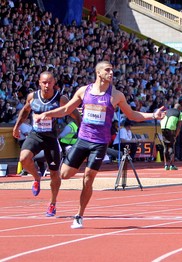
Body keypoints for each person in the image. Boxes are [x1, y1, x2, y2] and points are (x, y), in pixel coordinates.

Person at [35, 61, 165, 229]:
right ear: (98, 73)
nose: (111, 73)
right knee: (65, 175)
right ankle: (72, 172)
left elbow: (132, 114)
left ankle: (79, 215)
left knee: (88, 178)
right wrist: (47, 114)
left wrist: (153, 115)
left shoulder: (116, 95)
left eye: (112, 70)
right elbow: (66, 109)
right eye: (108, 70)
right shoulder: (84, 91)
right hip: (82, 139)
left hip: (100, 143)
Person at [12, 71, 81, 217]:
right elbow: (25, 111)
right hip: (35, 135)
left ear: (54, 83)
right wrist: (17, 126)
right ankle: (37, 178)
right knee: (23, 159)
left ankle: (52, 204)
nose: (47, 85)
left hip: (51, 139)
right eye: (44, 82)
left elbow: (75, 114)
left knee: (54, 173)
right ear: (39, 83)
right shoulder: (33, 97)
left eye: (49, 82)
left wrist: (82, 130)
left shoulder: (60, 98)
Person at [160, 103, 182, 170]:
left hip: (163, 127)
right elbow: (179, 126)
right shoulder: (180, 113)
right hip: (171, 128)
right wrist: (176, 135)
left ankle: (165, 165)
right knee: (171, 146)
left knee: (165, 146)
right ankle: (172, 165)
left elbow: (162, 118)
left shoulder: (167, 110)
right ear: (179, 108)